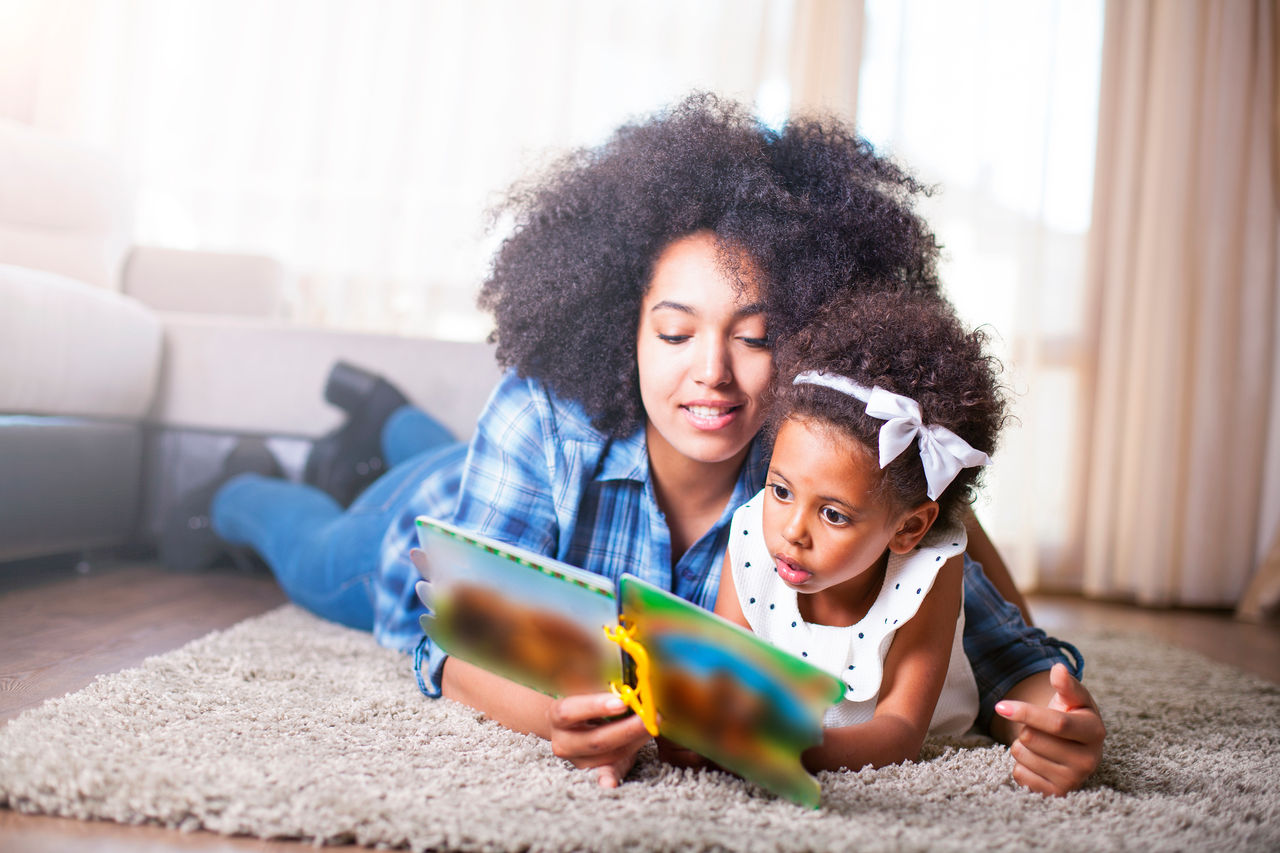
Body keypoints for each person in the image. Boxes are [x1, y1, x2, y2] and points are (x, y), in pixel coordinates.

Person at [172, 93, 1102, 796]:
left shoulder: (825, 469)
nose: (714, 374)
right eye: (674, 331)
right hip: (414, 532)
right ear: (620, 326)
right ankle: (241, 480)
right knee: (308, 538)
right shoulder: (543, 411)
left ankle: (385, 414)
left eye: (756, 334)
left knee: (432, 451)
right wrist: (550, 716)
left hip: (491, 473)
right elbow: (442, 628)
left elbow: (999, 638)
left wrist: (1059, 716)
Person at [713, 288, 1071, 779]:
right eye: (780, 490)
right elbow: (719, 677)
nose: (792, 531)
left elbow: (900, 731)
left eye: (834, 515)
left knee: (1032, 673)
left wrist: (789, 749)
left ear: (908, 528)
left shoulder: (927, 572)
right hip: (786, 725)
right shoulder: (754, 539)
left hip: (907, 727)